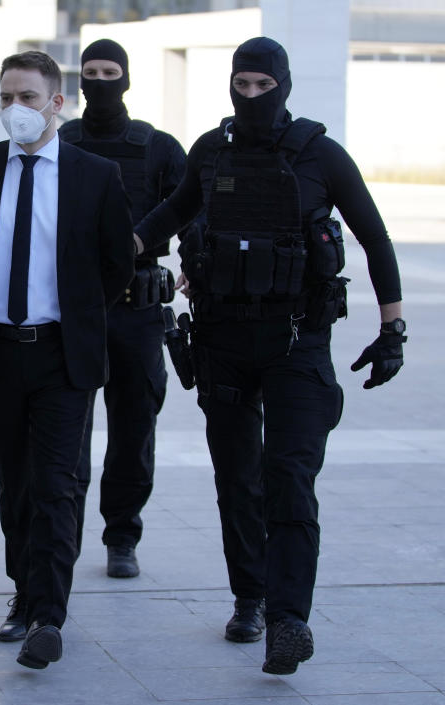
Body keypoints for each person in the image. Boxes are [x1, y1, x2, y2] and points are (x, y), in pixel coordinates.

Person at [134, 36, 406, 675]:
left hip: (296, 343)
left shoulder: (320, 154)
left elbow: (375, 237)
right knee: (237, 480)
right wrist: (129, 246)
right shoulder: (210, 150)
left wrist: (393, 329)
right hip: (223, 340)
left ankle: (289, 620)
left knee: (289, 478)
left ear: (282, 86)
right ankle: (250, 598)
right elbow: (169, 215)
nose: (251, 96)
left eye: (263, 86)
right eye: (242, 85)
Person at [0, 50, 133, 670]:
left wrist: (73, 314)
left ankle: (48, 616)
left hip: (60, 353)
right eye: (5, 97)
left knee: (58, 485)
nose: (14, 109)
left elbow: (114, 266)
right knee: (15, 483)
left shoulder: (94, 174)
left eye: (27, 97)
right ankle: (24, 595)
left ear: (57, 103)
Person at [58, 38, 188, 580]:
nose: (100, 80)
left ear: (126, 78)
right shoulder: (62, 139)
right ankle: (63, 538)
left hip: (138, 310)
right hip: (74, 306)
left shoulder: (157, 146)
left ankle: (121, 535)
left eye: (110, 71)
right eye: (91, 71)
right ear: (79, 79)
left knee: (134, 430)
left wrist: (197, 267)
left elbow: (194, 209)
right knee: (66, 431)